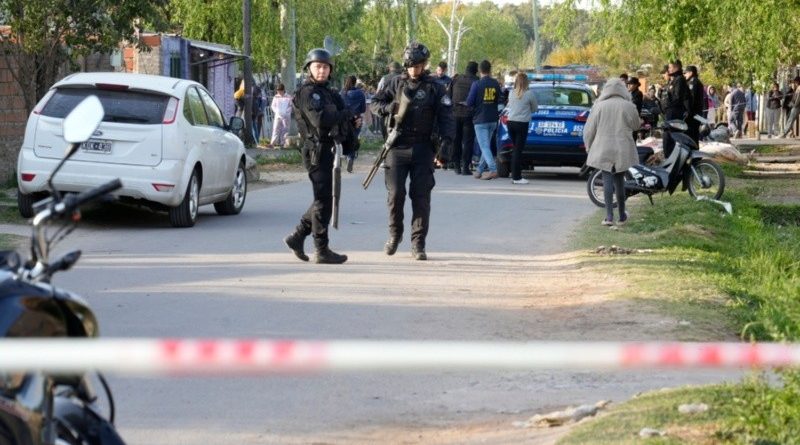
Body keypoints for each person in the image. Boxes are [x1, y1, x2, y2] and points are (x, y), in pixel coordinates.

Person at [369, 42, 455, 261]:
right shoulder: (394, 83)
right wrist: (389, 108)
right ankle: (394, 234)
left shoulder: (435, 87)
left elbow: (447, 117)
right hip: (397, 147)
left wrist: (446, 146)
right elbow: (375, 103)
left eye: (418, 65)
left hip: (423, 148)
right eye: (410, 65)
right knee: (395, 194)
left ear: (424, 65)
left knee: (421, 197)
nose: (414, 70)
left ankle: (418, 243)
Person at [283, 48, 356, 264]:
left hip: (330, 149)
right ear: (309, 69)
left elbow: (346, 113)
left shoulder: (329, 93)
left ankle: (297, 237)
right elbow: (320, 120)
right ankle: (321, 249)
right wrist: (344, 114)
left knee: (324, 198)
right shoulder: (307, 93)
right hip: (316, 150)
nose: (322, 70)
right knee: (324, 200)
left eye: (325, 67)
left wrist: (350, 121)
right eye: (317, 67)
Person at [583, 78, 641, 227]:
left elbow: (589, 129)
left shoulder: (599, 106)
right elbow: (636, 126)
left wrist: (588, 146)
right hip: (622, 147)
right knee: (620, 181)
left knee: (607, 179)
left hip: (603, 147)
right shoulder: (628, 106)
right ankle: (621, 216)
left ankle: (609, 216)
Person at [466, 59, 502, 180]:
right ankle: (479, 170)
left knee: (484, 147)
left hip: (480, 119)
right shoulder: (495, 83)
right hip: (493, 119)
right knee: (485, 146)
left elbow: (469, 102)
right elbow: (499, 99)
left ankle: (493, 169)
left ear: (480, 70)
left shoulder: (476, 84)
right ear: (490, 70)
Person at [504, 71, 538, 184]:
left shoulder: (511, 93)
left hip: (510, 123)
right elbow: (534, 109)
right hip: (522, 124)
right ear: (526, 82)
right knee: (518, 151)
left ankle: (515, 174)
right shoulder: (529, 94)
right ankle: (517, 177)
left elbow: (509, 106)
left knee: (515, 149)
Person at [448, 61, 479, 175]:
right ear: (476, 71)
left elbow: (448, 96)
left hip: (455, 113)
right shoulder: (476, 81)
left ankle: (457, 165)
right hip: (469, 115)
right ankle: (465, 167)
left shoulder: (456, 79)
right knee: (468, 141)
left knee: (456, 140)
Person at [661, 61, 690, 157]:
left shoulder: (680, 79)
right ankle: (669, 157)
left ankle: (671, 158)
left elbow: (677, 98)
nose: (669, 70)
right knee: (667, 137)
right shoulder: (674, 80)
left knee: (670, 137)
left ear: (676, 68)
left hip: (674, 113)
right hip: (670, 112)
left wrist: (668, 105)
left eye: (670, 67)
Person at [341, 75, 366, 172]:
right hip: (356, 119)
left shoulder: (342, 93)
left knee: (343, 137)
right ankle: (350, 157)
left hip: (344, 119)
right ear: (355, 82)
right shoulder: (360, 93)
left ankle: (341, 156)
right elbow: (363, 109)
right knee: (353, 138)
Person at [376, 61, 404, 141]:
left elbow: (378, 93)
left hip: (387, 110)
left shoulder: (384, 78)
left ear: (390, 69)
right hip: (401, 110)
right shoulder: (404, 78)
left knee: (387, 137)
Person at [684, 65, 704, 146]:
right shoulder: (697, 82)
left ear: (691, 73)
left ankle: (693, 151)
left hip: (693, 114)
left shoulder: (693, 82)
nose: (685, 75)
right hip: (696, 113)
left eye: (686, 73)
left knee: (691, 135)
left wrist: (688, 111)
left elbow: (691, 99)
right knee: (694, 135)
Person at [270, 83, 292, 148]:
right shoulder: (276, 97)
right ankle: (273, 143)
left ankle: (282, 143)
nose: (279, 92)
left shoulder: (288, 97)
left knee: (285, 130)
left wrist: (287, 112)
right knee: (275, 129)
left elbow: (290, 106)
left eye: (280, 90)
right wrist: (276, 111)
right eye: (278, 91)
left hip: (286, 116)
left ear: (283, 90)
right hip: (278, 115)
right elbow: (273, 106)